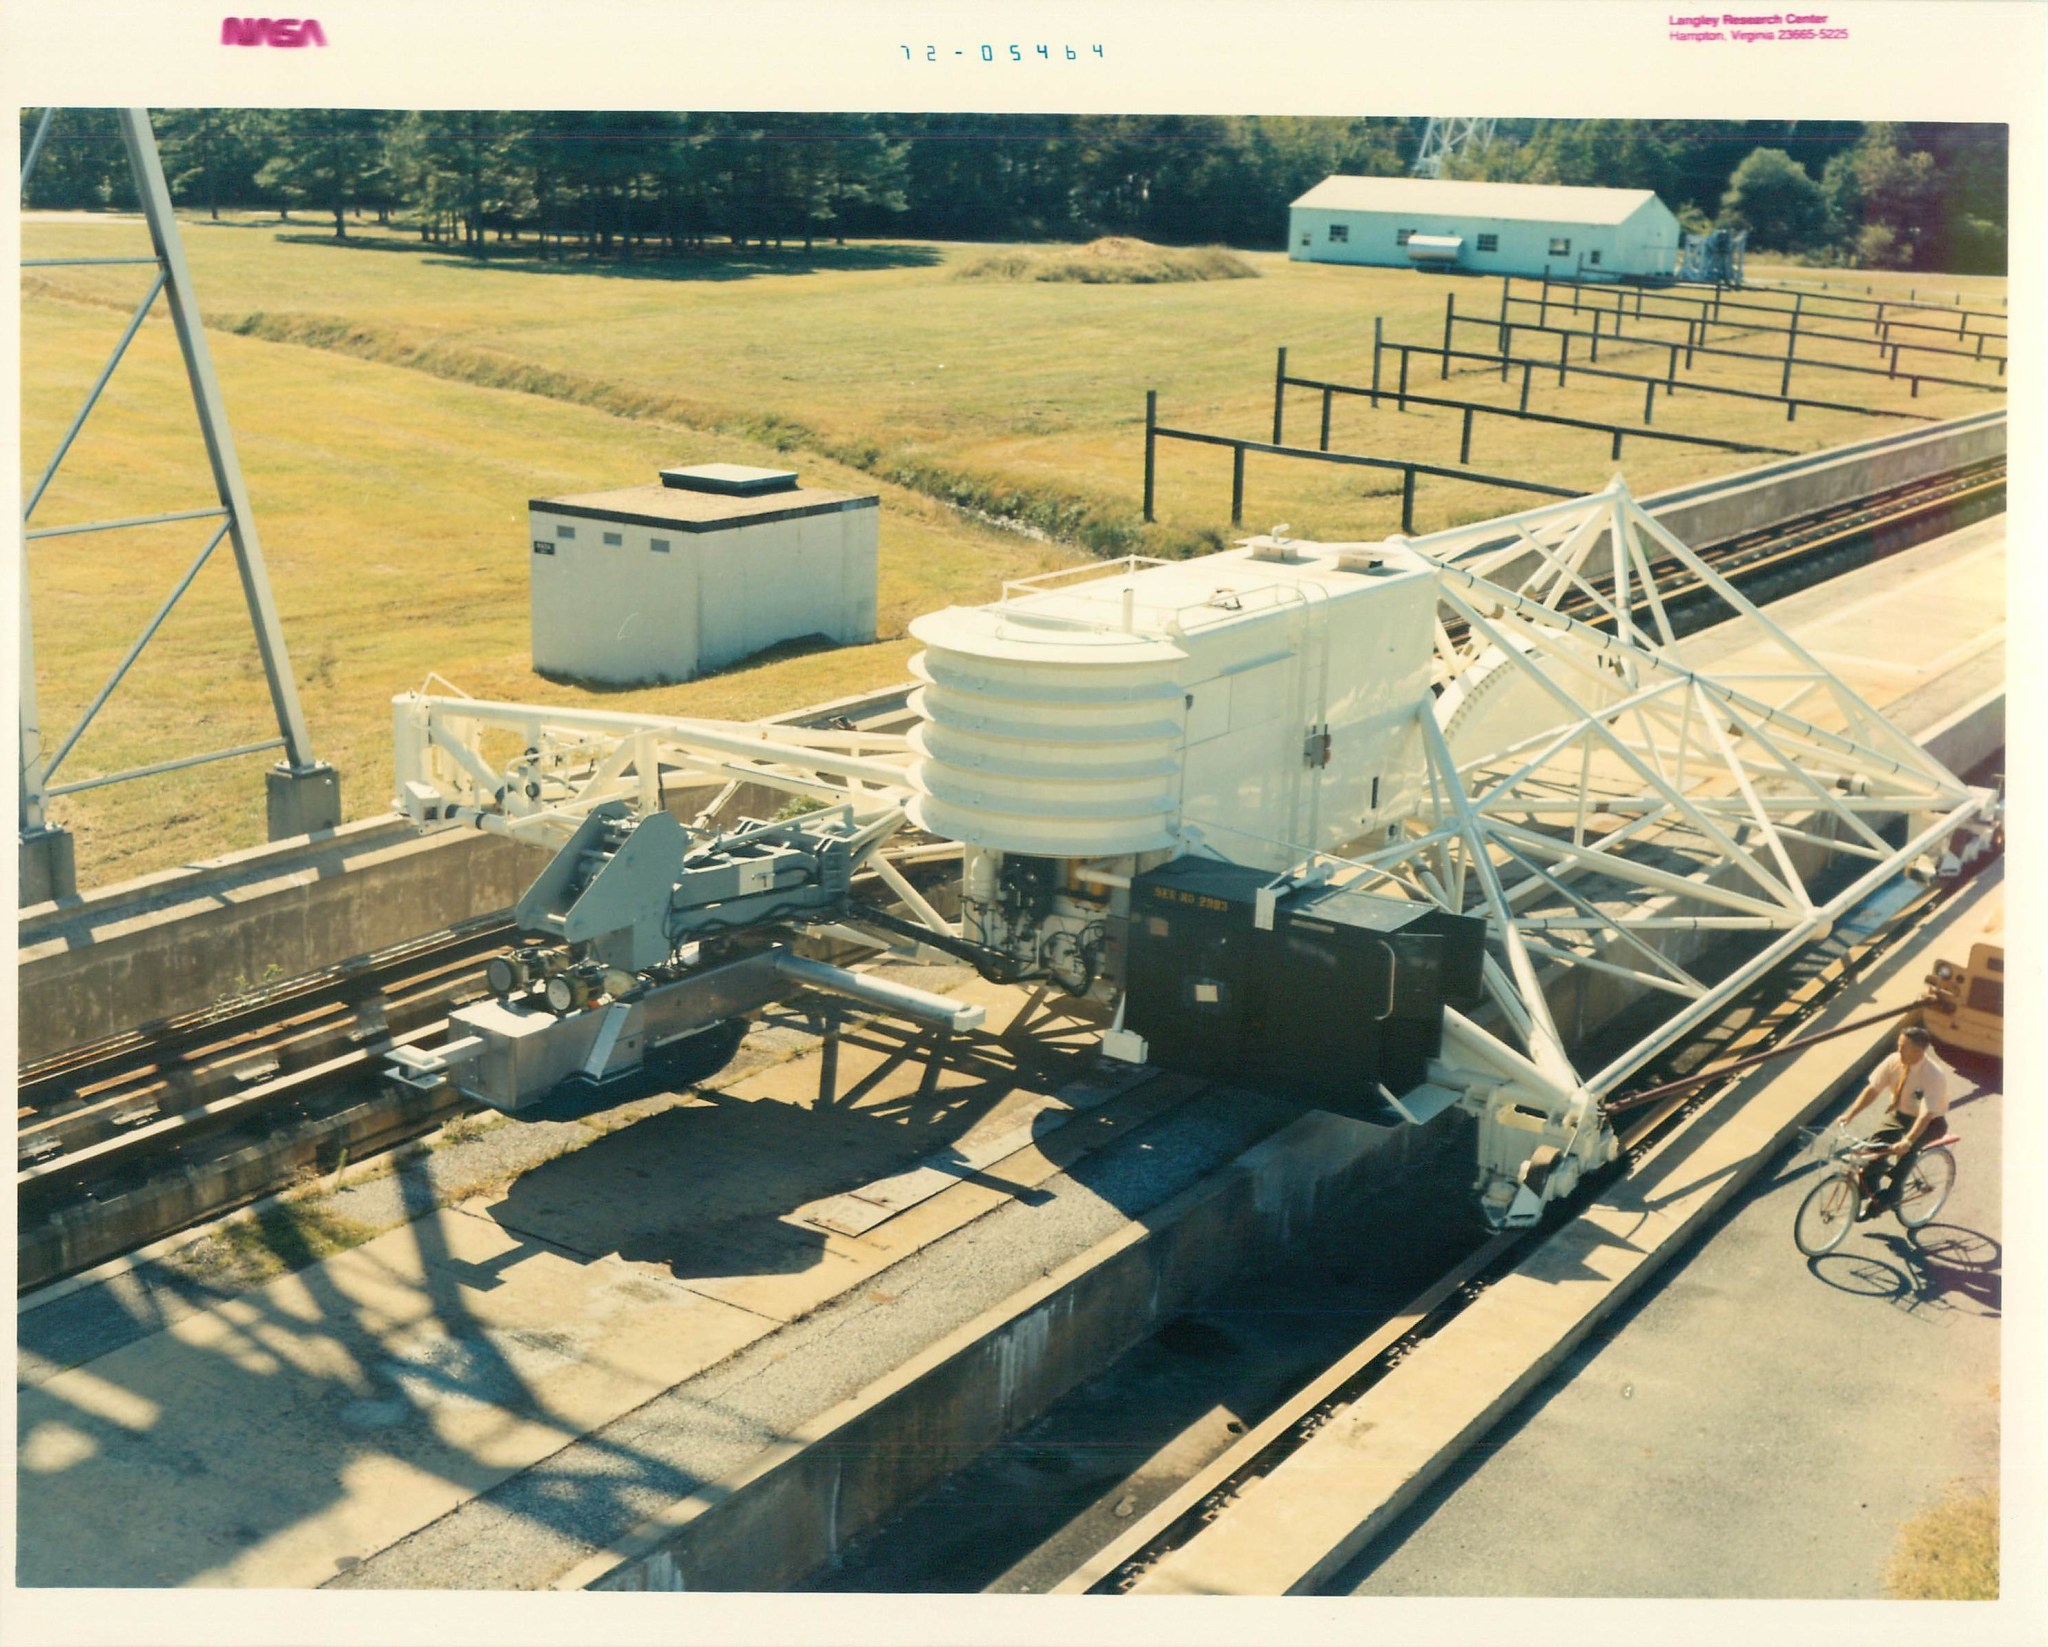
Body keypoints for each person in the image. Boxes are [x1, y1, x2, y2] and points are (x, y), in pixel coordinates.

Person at [1835, 1024, 1951, 1216]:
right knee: (1874, 1150)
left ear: (1918, 1050)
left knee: (1907, 1153)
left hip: (1930, 1123)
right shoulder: (1894, 1061)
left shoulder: (1933, 1075)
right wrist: (1850, 1115)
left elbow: (1926, 1114)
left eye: (1903, 1047)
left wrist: (1907, 1140)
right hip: (1899, 1115)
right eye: (1899, 1045)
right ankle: (1870, 1189)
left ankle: (1894, 1193)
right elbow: (1873, 1089)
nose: (1898, 1051)